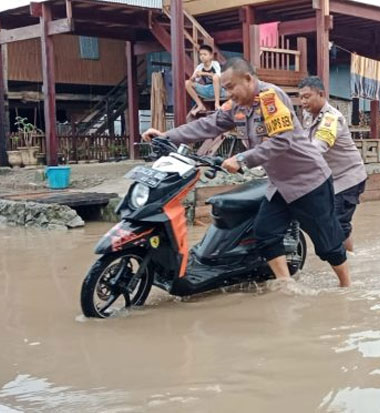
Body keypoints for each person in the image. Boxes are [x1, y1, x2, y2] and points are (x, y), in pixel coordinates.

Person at [142, 57, 351, 287]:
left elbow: (282, 141)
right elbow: (208, 125)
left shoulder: (270, 98)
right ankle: (286, 284)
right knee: (265, 234)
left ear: (249, 79)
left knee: (326, 242)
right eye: (225, 88)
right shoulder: (236, 106)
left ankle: (346, 287)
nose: (228, 93)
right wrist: (166, 136)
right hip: (279, 183)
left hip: (309, 181)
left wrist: (242, 159)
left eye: (231, 87)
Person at [299, 76, 367, 252]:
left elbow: (318, 147)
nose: (303, 102)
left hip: (348, 178)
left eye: (307, 97)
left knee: (337, 223)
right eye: (301, 98)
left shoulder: (331, 118)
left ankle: (349, 260)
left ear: (321, 94)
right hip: (329, 180)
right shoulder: (308, 116)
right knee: (332, 221)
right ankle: (349, 256)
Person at [185, 45, 223, 116]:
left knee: (215, 77)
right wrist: (193, 77)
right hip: (206, 90)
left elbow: (218, 76)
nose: (202, 56)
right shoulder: (199, 67)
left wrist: (203, 73)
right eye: (200, 55)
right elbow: (193, 80)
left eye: (205, 54)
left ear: (211, 56)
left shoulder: (215, 64)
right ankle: (200, 105)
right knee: (187, 83)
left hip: (218, 90)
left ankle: (217, 104)